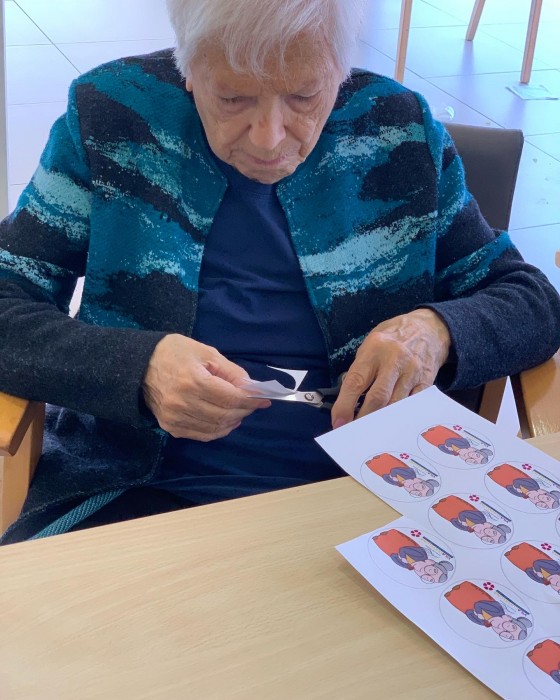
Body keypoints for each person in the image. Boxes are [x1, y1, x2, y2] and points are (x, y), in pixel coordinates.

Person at [0, 0, 559, 543]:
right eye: (233, 97)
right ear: (188, 67)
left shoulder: (401, 132)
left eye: (304, 96)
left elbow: (531, 301)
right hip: (134, 496)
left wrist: (434, 332)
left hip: (374, 502)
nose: (269, 137)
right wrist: (138, 368)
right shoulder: (112, 119)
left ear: (339, 71)